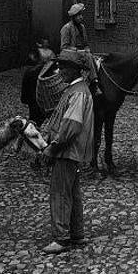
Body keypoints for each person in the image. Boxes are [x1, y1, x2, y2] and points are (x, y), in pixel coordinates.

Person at [41, 49, 94, 254]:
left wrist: (52, 148)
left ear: (74, 70)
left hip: (66, 151)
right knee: (72, 192)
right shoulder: (75, 89)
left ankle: (61, 238)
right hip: (71, 151)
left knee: (60, 192)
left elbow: (71, 126)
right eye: (59, 65)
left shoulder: (78, 92)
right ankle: (77, 234)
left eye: (63, 67)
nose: (59, 70)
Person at [59, 3, 101, 98]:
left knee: (97, 59)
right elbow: (63, 47)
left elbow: (85, 44)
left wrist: (87, 49)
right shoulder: (66, 28)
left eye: (81, 15)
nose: (81, 17)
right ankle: (95, 83)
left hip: (81, 54)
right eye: (78, 15)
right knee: (88, 56)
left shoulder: (82, 27)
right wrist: (78, 51)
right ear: (73, 17)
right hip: (69, 55)